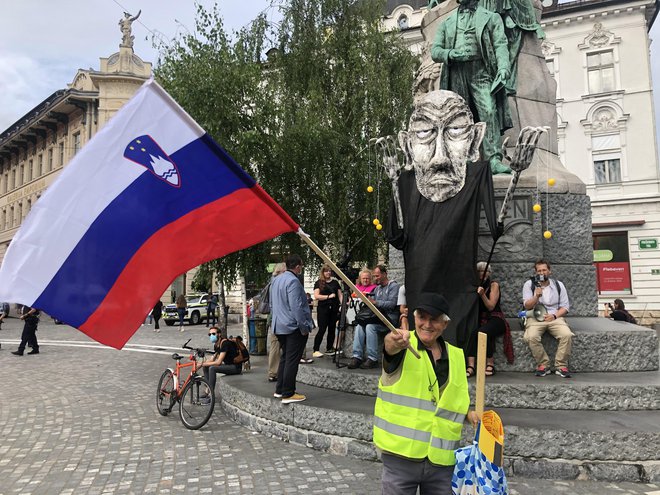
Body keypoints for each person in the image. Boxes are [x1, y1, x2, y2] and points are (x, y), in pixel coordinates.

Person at [388, 90, 500, 349]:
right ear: (407, 145)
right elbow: (396, 235)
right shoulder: (404, 184)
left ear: (475, 140)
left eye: (457, 130)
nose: (440, 158)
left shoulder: (477, 175)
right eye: (424, 133)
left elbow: (496, 225)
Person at [374, 293, 479, 495]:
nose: (427, 324)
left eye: (434, 319)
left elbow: (455, 397)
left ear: (445, 324)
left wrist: (469, 413)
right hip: (401, 456)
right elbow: (389, 347)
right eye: (422, 317)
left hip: (442, 461)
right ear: (414, 318)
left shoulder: (457, 356)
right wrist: (393, 341)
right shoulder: (403, 344)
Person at [431, 0, 512, 174]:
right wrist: (450, 53)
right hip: (457, 72)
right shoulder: (447, 22)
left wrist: (504, 67)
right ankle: (460, 159)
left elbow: (500, 45)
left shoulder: (491, 17)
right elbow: (435, 51)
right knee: (458, 117)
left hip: (481, 71)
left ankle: (493, 159)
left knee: (489, 111)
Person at [271, 254, 314, 404]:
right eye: (301, 266)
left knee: (285, 358)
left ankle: (280, 389)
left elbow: (273, 304)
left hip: (279, 325)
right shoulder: (293, 281)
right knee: (292, 360)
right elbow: (296, 307)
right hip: (292, 327)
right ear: (297, 267)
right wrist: (304, 327)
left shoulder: (276, 280)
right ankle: (288, 393)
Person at [522, 259, 574, 378]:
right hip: (535, 317)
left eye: (544, 270)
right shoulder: (529, 284)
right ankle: (543, 364)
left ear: (549, 271)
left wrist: (554, 316)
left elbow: (565, 307)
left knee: (567, 335)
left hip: (554, 317)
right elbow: (527, 305)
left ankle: (561, 366)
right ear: (536, 272)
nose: (542, 273)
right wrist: (536, 296)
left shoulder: (558, 285)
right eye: (539, 271)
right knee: (531, 337)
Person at [465, 262, 513, 377]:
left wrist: (482, 295)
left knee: (483, 333)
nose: (483, 273)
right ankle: (471, 366)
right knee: (471, 332)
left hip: (496, 318)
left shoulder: (493, 285)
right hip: (481, 318)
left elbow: (491, 306)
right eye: (480, 271)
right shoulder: (473, 285)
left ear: (489, 273)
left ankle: (490, 363)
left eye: (485, 271)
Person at [348, 265, 399, 369]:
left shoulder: (393, 286)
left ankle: (372, 358)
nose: (375, 278)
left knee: (370, 327)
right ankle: (357, 356)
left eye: (377, 276)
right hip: (377, 318)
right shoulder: (377, 288)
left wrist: (375, 302)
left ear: (385, 274)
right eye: (374, 276)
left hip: (389, 319)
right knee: (359, 326)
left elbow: (392, 304)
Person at [201, 326, 242, 399]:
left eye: (213, 334)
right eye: (209, 334)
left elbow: (218, 362)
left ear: (219, 334)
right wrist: (201, 364)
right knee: (206, 366)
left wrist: (202, 364)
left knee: (212, 368)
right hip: (228, 365)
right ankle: (207, 390)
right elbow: (212, 359)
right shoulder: (217, 344)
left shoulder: (225, 343)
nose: (211, 336)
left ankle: (211, 395)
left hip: (235, 367)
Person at [312, 265, 342, 358]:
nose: (328, 273)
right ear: (323, 272)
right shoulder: (319, 283)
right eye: (326, 271)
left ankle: (329, 348)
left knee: (332, 329)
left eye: (329, 271)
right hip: (323, 309)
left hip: (334, 308)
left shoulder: (335, 282)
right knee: (322, 329)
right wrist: (328, 297)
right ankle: (315, 349)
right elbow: (316, 296)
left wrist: (342, 305)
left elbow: (339, 295)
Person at [267, 262, 287, 382]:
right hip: (280, 318)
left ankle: (273, 372)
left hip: (274, 318)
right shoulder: (279, 283)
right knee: (278, 345)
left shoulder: (272, 283)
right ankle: (276, 371)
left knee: (275, 345)